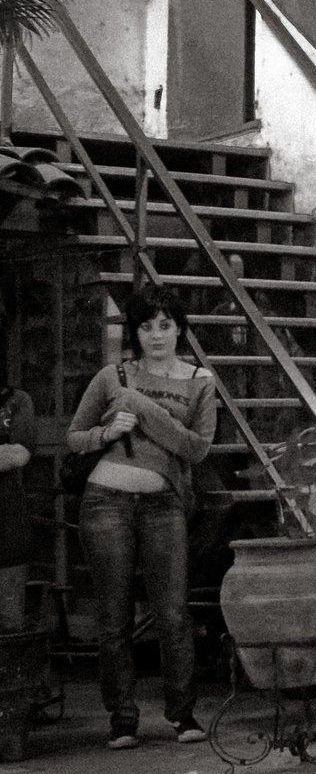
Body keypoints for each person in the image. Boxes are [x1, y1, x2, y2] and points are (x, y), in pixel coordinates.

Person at [67, 284, 217, 749]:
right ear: (135, 331)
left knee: (172, 612)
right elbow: (74, 437)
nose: (156, 335)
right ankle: (123, 718)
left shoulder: (199, 381)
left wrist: (141, 406)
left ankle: (182, 714)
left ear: (180, 329)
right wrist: (108, 431)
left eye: (166, 325)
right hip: (105, 500)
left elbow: (196, 448)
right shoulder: (112, 376)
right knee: (113, 617)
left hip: (163, 503)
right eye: (146, 326)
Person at [0, 368, 37, 631]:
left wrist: (9, 453)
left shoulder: (17, 400)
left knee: (9, 626)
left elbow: (19, 454)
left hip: (7, 528)